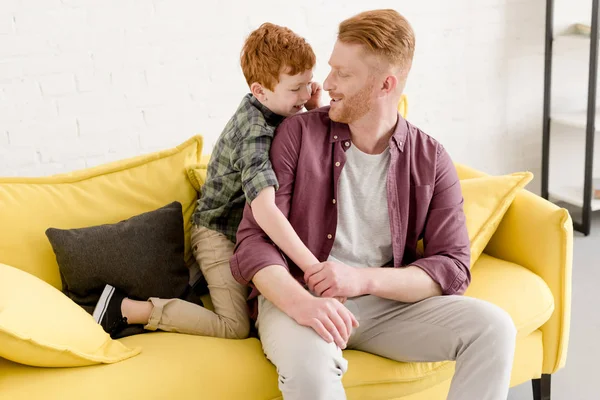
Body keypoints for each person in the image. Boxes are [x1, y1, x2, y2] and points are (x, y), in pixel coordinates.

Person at [231, 9, 517, 400]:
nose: (326, 83)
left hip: (386, 306)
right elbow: (253, 241)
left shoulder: (430, 158)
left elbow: (452, 267)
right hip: (299, 297)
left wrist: (362, 280)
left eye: (343, 74)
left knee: (494, 328)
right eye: (331, 69)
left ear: (385, 85)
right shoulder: (296, 134)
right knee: (311, 371)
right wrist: (301, 304)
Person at [92, 22, 327, 340]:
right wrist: (313, 267)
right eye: (295, 89)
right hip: (219, 235)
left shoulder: (280, 108)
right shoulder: (254, 132)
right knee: (236, 327)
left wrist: (313, 108)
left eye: (308, 83)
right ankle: (128, 308)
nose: (304, 95)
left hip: (244, 234)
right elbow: (265, 210)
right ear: (259, 90)